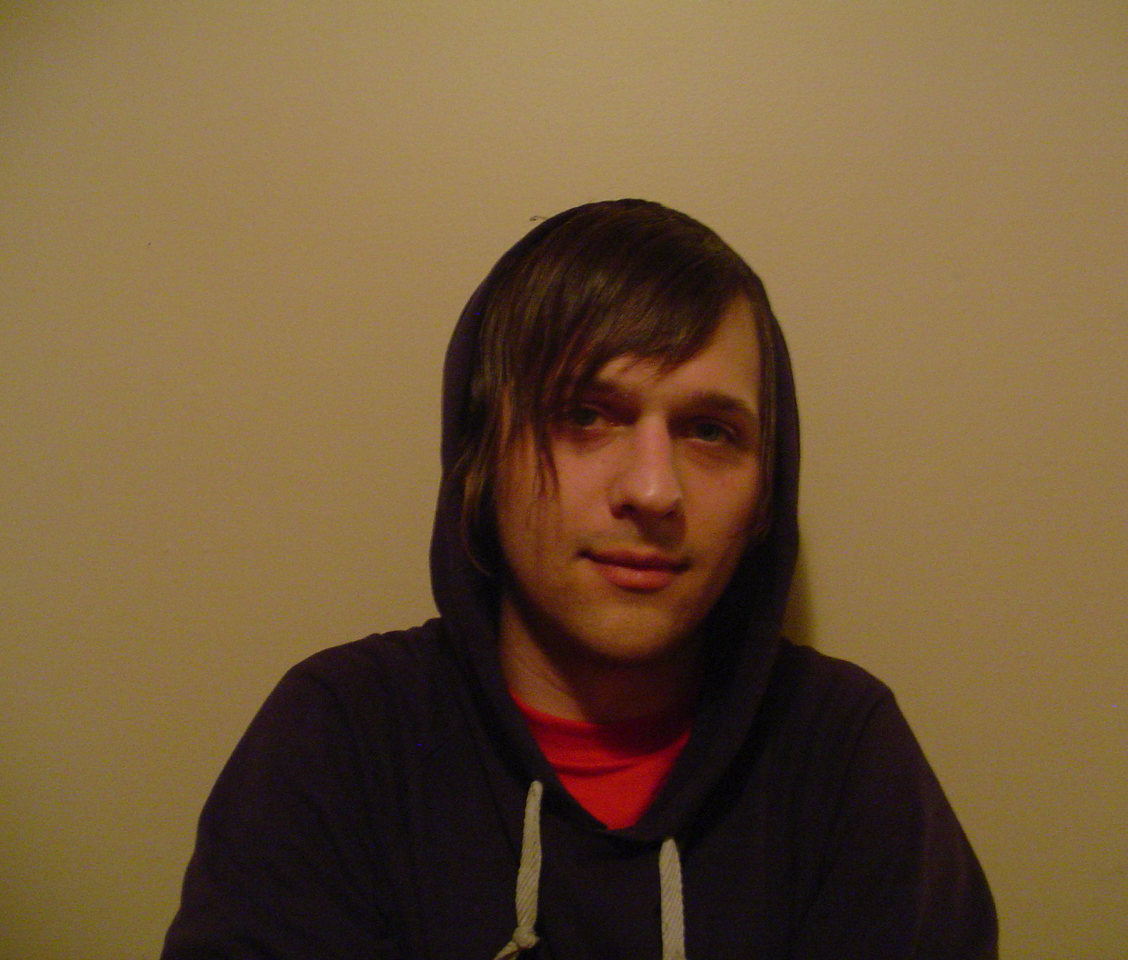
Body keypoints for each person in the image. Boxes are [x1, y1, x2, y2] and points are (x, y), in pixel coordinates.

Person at [162, 199, 997, 959]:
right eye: (585, 416)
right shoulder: (342, 739)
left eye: (710, 431)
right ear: (481, 458)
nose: (654, 490)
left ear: (765, 493)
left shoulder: (843, 756)